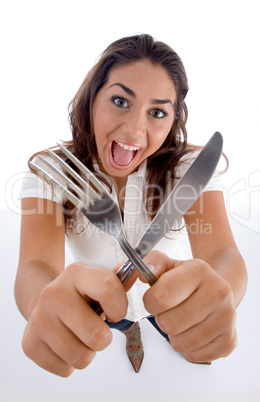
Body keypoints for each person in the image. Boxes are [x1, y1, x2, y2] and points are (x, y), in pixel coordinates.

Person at [15, 34, 247, 376]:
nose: (135, 129)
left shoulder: (187, 171)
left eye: (156, 112)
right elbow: (34, 266)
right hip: (100, 308)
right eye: (121, 101)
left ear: (172, 122)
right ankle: (130, 331)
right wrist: (43, 303)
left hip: (172, 301)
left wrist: (215, 294)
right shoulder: (53, 173)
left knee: (172, 320)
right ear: (92, 99)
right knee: (122, 321)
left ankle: (166, 328)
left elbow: (223, 254)